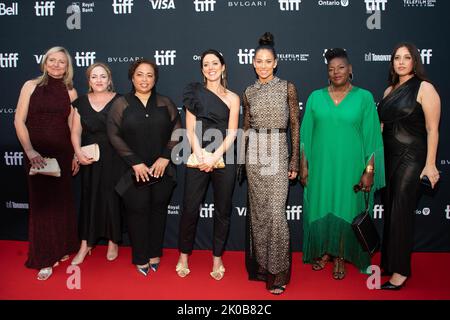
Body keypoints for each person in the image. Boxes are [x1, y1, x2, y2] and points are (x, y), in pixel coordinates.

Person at [300, 48, 385, 280]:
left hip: (350, 167)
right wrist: (304, 165)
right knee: (322, 206)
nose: (336, 72)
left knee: (346, 208)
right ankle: (326, 251)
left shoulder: (364, 97)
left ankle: (340, 256)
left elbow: (372, 139)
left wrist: (369, 170)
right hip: (321, 167)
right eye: (331, 69)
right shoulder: (315, 97)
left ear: (350, 70)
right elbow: (306, 136)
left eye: (341, 67)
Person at [107, 59, 181, 276]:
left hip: (161, 170)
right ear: (132, 77)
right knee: (137, 211)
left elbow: (178, 131)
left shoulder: (164, 102)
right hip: (132, 171)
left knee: (158, 211)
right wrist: (135, 162)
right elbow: (113, 133)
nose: (145, 79)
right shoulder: (122, 103)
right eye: (140, 74)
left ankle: (154, 253)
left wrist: (165, 157)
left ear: (155, 78)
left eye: (149, 75)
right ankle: (140, 257)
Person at [377, 43, 441, 290]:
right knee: (391, 209)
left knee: (401, 211)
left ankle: (401, 271)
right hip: (389, 158)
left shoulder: (425, 88)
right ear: (392, 62)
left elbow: (432, 129)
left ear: (415, 61)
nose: (401, 62)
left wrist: (431, 164)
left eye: (406, 58)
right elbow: (383, 127)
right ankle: (391, 262)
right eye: (396, 58)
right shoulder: (388, 91)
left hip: (413, 158)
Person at [14, 46, 80, 280]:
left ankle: (61, 248)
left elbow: (74, 127)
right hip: (37, 156)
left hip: (62, 154)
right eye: (52, 60)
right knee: (42, 207)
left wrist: (74, 154)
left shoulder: (70, 92)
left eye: (61, 62)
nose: (55, 65)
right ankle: (44, 258)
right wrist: (30, 150)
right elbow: (19, 120)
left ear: (67, 66)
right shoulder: (30, 86)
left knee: (61, 204)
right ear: (44, 62)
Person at [241, 32, 300, 295]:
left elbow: (295, 126)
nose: (263, 65)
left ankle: (278, 273)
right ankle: (262, 266)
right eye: (258, 61)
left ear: (275, 63)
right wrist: (241, 160)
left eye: (268, 61)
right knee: (259, 214)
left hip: (277, 147)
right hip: (254, 151)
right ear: (253, 63)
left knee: (276, 213)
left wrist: (295, 158)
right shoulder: (248, 91)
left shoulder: (287, 86)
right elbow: (245, 127)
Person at [176, 49, 240, 280]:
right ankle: (183, 256)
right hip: (197, 155)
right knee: (190, 208)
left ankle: (217, 258)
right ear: (202, 69)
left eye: (215, 63)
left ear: (223, 67)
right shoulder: (193, 93)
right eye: (205, 64)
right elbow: (190, 128)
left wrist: (215, 157)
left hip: (225, 156)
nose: (210, 67)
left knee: (222, 210)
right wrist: (202, 155)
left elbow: (233, 132)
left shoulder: (233, 98)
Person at [70, 62, 123, 265]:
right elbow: (75, 131)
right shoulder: (81, 102)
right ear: (89, 80)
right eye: (94, 77)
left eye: (103, 76)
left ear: (109, 79)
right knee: (89, 198)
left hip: (115, 156)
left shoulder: (120, 100)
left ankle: (113, 241)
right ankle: (86, 244)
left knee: (112, 197)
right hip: (90, 156)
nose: (99, 80)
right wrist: (77, 153)